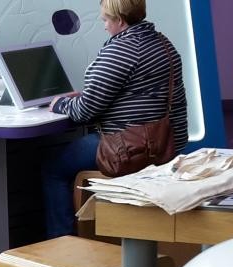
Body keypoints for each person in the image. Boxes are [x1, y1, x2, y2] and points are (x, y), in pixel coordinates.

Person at [42, 0, 188, 238]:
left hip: (128, 149)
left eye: (105, 20)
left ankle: (62, 240)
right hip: (169, 144)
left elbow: (84, 112)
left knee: (53, 168)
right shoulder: (163, 44)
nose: (104, 26)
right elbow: (139, 93)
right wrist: (87, 96)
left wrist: (60, 103)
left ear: (120, 20)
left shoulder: (120, 51)